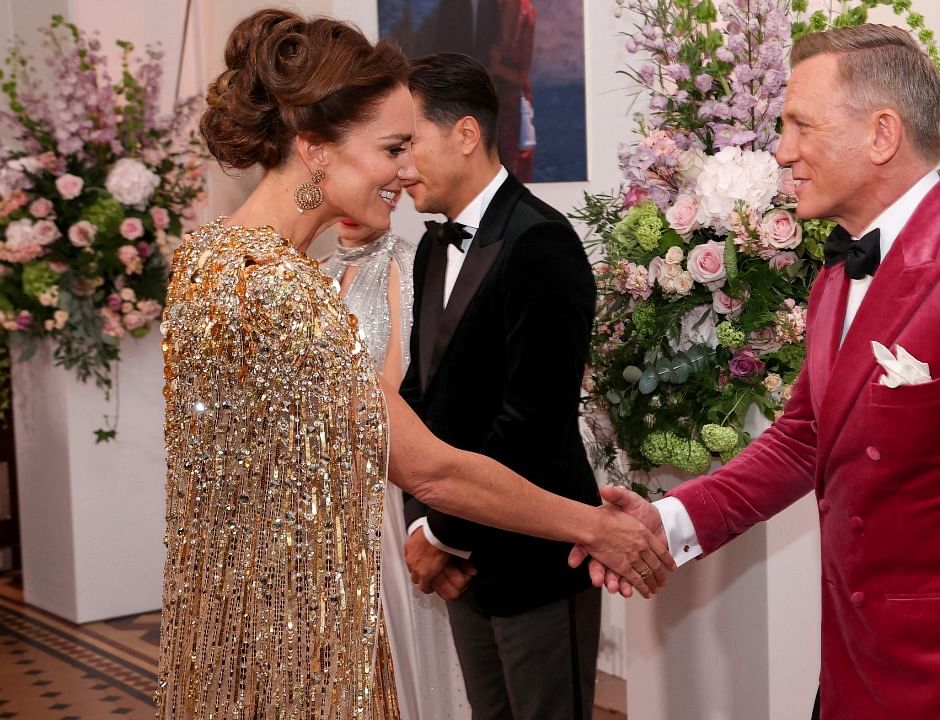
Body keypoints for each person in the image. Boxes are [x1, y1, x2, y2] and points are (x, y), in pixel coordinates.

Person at [580, 24, 940, 720]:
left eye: (800, 126)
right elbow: (804, 437)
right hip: (856, 673)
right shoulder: (835, 272)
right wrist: (665, 523)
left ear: (882, 135)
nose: (782, 151)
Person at [157, 10, 670, 718]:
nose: (405, 170)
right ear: (316, 150)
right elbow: (429, 466)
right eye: (392, 146)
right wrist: (595, 526)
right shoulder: (280, 291)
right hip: (297, 643)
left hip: (230, 623)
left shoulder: (208, 259)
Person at [396, 53, 600, 719]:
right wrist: (424, 522)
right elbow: (419, 396)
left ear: (464, 134)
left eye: (408, 144)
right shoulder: (431, 247)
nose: (398, 169)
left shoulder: (542, 241)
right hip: (463, 558)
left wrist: (442, 535)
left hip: (534, 559)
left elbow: (533, 421)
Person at [321, 214, 469, 719]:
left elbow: (403, 388)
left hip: (384, 482)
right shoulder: (315, 272)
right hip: (323, 487)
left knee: (398, 636)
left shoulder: (406, 265)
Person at [488, 0, 536, 181]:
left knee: (515, 170)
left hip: (514, 105)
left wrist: (496, 67)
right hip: (487, 100)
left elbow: (522, 74)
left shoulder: (526, 12)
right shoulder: (490, 7)